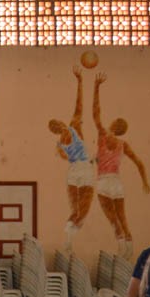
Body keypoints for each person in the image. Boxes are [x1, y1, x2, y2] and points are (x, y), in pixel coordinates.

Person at [93, 72, 150, 259]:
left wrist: (96, 87)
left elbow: (95, 113)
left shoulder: (103, 136)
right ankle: (129, 250)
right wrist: (145, 181)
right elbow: (139, 163)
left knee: (113, 220)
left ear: (113, 125)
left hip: (103, 182)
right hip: (116, 183)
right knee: (123, 219)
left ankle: (121, 250)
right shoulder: (123, 144)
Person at [47, 66, 94, 252]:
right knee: (84, 209)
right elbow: (79, 104)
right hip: (84, 168)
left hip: (73, 171)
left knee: (76, 210)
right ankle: (69, 238)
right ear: (60, 124)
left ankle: (68, 238)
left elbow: (65, 156)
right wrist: (80, 82)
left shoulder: (59, 145)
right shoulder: (73, 127)